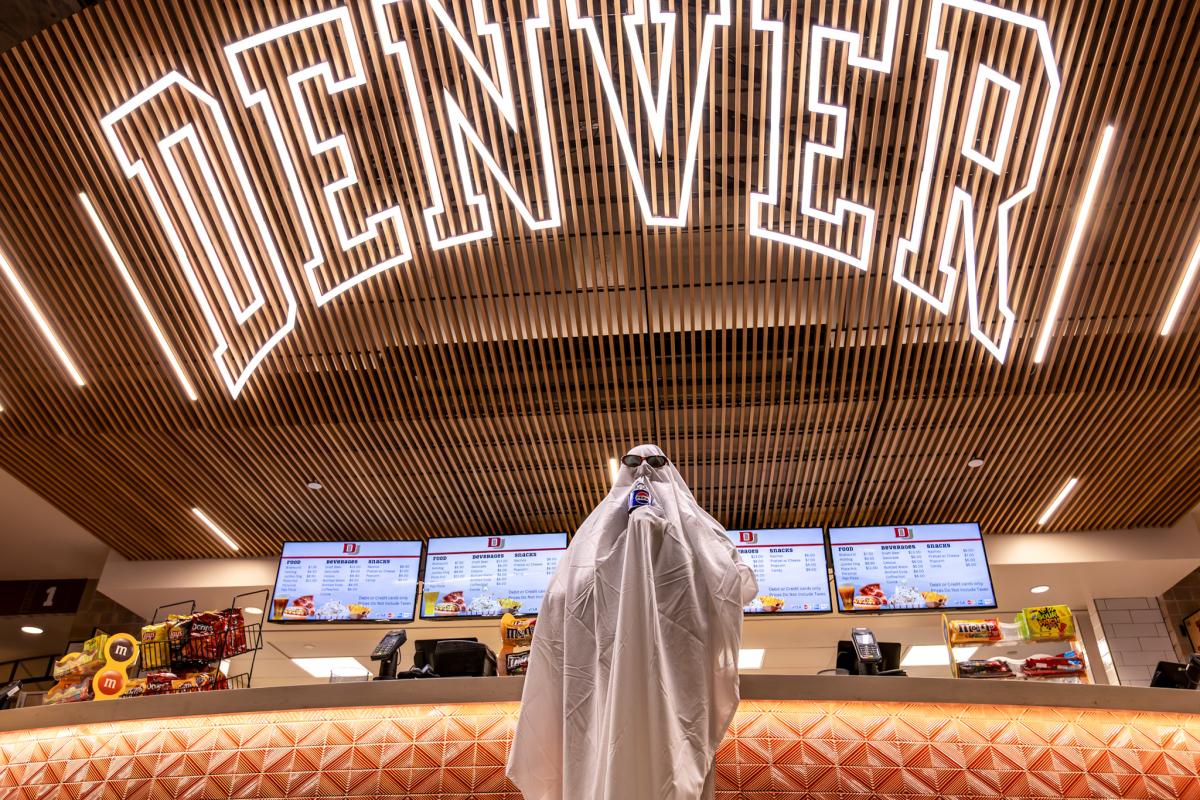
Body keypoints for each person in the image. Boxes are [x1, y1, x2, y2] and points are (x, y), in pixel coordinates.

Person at [508, 444, 758, 800]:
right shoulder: (590, 548)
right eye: (632, 463)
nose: (643, 472)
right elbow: (739, 584)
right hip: (601, 697)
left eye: (654, 464)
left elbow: (735, 586)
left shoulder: (696, 539)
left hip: (679, 694)